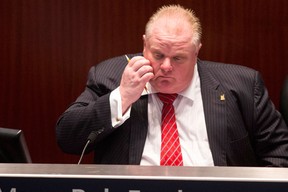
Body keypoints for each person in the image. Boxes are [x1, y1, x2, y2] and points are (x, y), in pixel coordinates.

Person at [56, 4, 288, 166]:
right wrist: (123, 97)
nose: (166, 66)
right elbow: (67, 138)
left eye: (178, 58)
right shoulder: (110, 76)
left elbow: (279, 155)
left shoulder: (242, 85)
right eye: (157, 55)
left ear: (196, 52)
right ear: (145, 44)